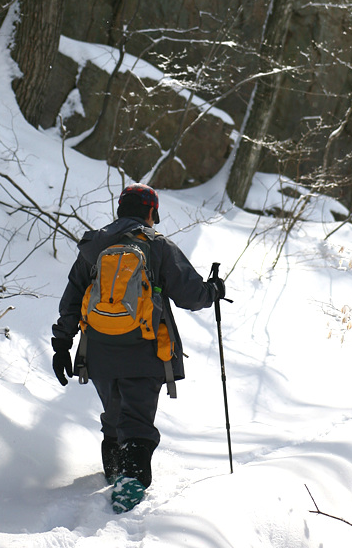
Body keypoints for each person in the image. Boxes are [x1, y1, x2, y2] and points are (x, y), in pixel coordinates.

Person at [51, 182, 225, 510]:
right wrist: (213, 290)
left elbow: (72, 299)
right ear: (151, 212)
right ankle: (130, 483)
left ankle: (114, 468)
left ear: (120, 209)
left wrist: (62, 344)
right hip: (147, 350)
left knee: (114, 412)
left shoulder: (94, 246)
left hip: (98, 351)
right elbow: (190, 294)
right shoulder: (157, 245)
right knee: (138, 419)